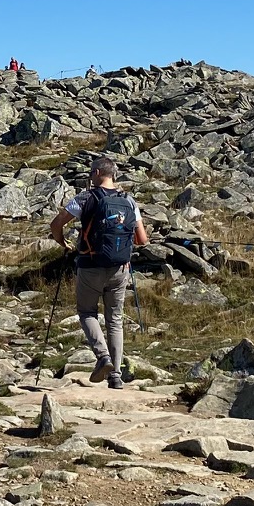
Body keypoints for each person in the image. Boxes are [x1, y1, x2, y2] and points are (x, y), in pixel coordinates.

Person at [47, 156, 148, 389]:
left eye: (91, 173)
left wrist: (63, 243)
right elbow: (142, 240)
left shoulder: (86, 198)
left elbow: (56, 224)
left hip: (90, 266)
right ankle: (116, 376)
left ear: (97, 173)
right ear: (113, 175)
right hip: (120, 269)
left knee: (86, 313)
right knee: (115, 320)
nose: (89, 177)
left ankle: (103, 357)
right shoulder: (129, 201)